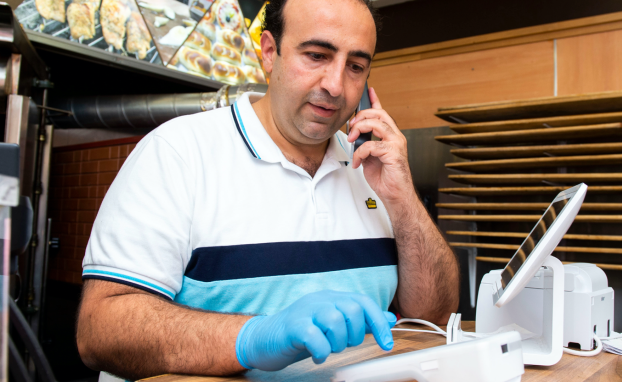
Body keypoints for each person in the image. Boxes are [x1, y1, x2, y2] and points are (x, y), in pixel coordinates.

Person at [76, 0, 460, 379]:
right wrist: (254, 338)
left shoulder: (371, 167)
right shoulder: (177, 153)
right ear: (269, 52)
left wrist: (404, 198)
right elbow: (101, 329)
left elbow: (431, 319)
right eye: (316, 56)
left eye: (356, 66)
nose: (336, 84)